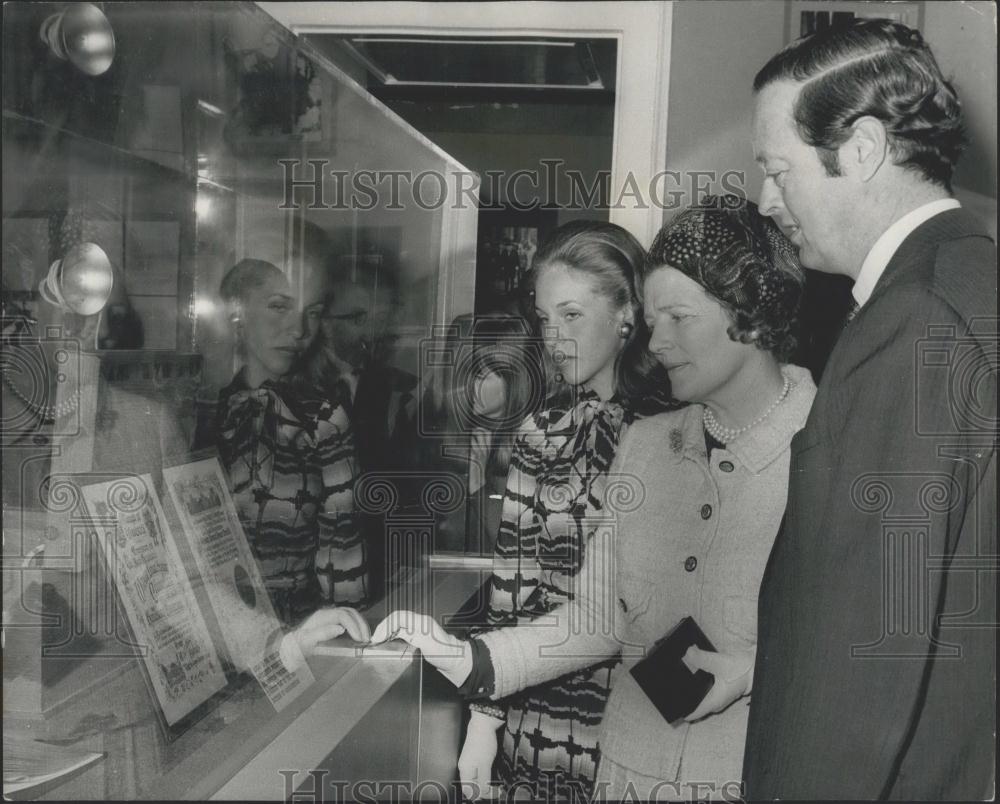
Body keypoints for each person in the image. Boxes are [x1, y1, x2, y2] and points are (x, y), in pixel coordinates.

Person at [370, 200, 816, 800]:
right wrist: (478, 675)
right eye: (544, 317)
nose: (658, 341)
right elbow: (581, 609)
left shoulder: (820, 442)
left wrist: (752, 670)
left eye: (677, 317)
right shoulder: (641, 442)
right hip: (604, 752)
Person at [744, 19, 996, 800]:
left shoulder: (913, 320)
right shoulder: (967, 278)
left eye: (778, 170)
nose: (765, 200)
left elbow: (863, 656)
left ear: (860, 149)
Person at [383, 220, 681, 800]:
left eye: (572, 315)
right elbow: (510, 592)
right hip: (541, 718)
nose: (553, 338)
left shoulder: (676, 433)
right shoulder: (541, 434)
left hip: (641, 719)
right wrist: (486, 722)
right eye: (545, 320)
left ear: (628, 312)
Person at [214, 259, 369, 625]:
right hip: (205, 634)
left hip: (296, 636)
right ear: (238, 311)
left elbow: (343, 554)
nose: (298, 329)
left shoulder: (324, 418)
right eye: (279, 306)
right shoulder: (203, 409)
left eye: (311, 313)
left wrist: (347, 646)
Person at [425, 310, 542, 554]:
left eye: (478, 375)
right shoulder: (464, 433)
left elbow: (515, 547)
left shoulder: (533, 447)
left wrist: (479, 484)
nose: (465, 386)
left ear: (512, 380)